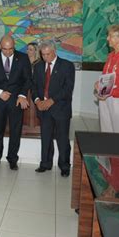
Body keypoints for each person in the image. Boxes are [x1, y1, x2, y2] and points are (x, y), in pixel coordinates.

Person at [0, 36, 32, 170]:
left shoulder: (23, 58)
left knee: (15, 131)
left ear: (14, 46)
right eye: (5, 49)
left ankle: (12, 159)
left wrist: (22, 95)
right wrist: (0, 93)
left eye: (10, 49)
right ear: (0, 47)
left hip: (16, 100)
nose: (7, 52)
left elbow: (27, 79)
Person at [32, 40, 74, 177]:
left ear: (54, 51)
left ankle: (64, 166)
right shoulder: (38, 67)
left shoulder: (67, 66)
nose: (45, 57)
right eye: (43, 54)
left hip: (60, 108)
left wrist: (51, 101)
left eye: (48, 54)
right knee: (46, 137)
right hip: (43, 109)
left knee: (62, 139)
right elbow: (34, 87)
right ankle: (45, 163)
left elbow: (67, 89)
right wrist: (37, 101)